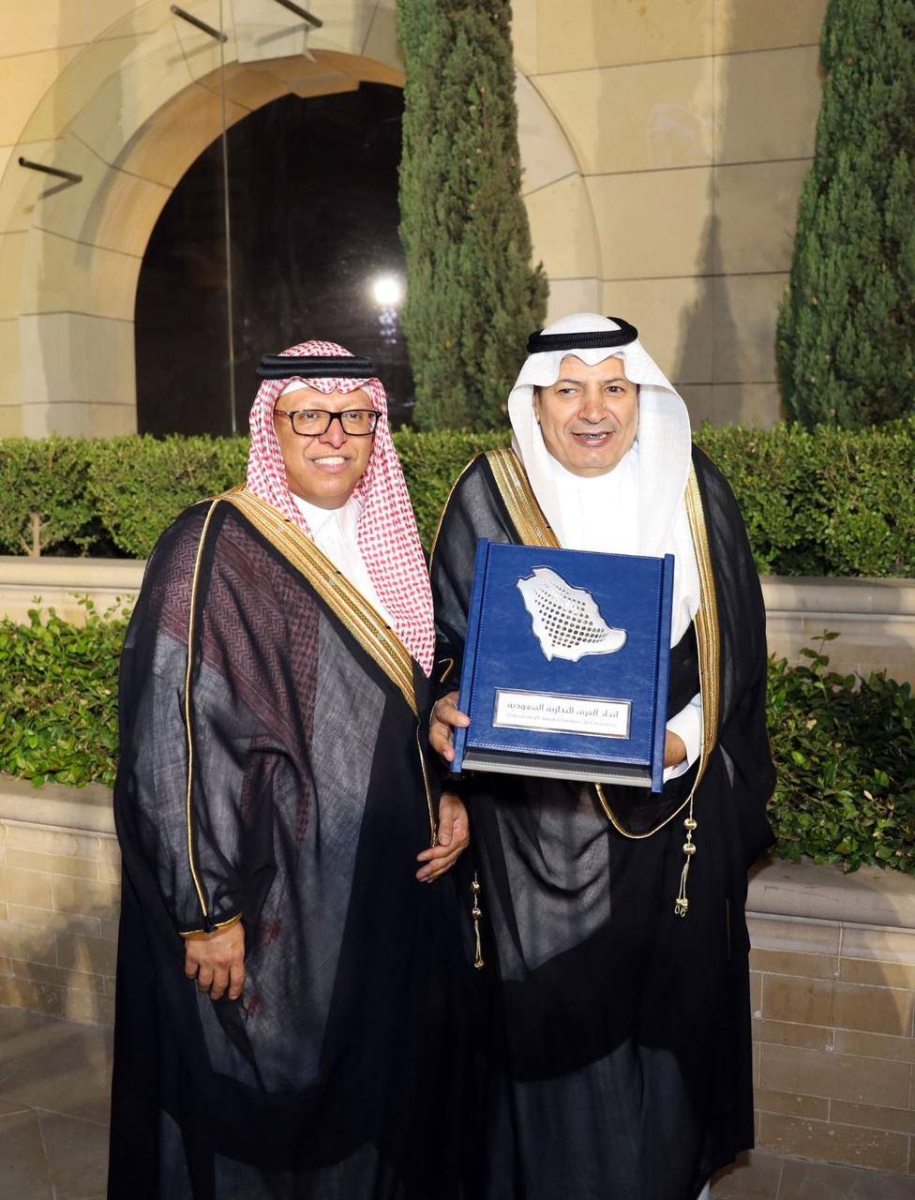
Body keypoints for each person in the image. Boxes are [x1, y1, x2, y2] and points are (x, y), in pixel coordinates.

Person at [109, 341, 470, 1200]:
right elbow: (174, 733)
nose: (333, 435)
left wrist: (450, 788)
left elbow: (402, 700)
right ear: (269, 428)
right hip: (276, 901)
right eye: (307, 415)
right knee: (266, 1111)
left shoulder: (389, 542)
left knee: (377, 1096)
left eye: (354, 415)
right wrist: (206, 911)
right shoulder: (214, 542)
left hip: (385, 885)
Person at [429, 314, 775, 1200]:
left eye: (613, 388)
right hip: (525, 836)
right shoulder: (488, 493)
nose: (592, 410)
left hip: (670, 821)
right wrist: (441, 712)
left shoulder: (693, 489)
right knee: (538, 1031)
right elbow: (444, 648)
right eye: (568, 390)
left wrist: (681, 740)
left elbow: (735, 650)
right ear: (535, 403)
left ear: (640, 397)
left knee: (665, 1030)